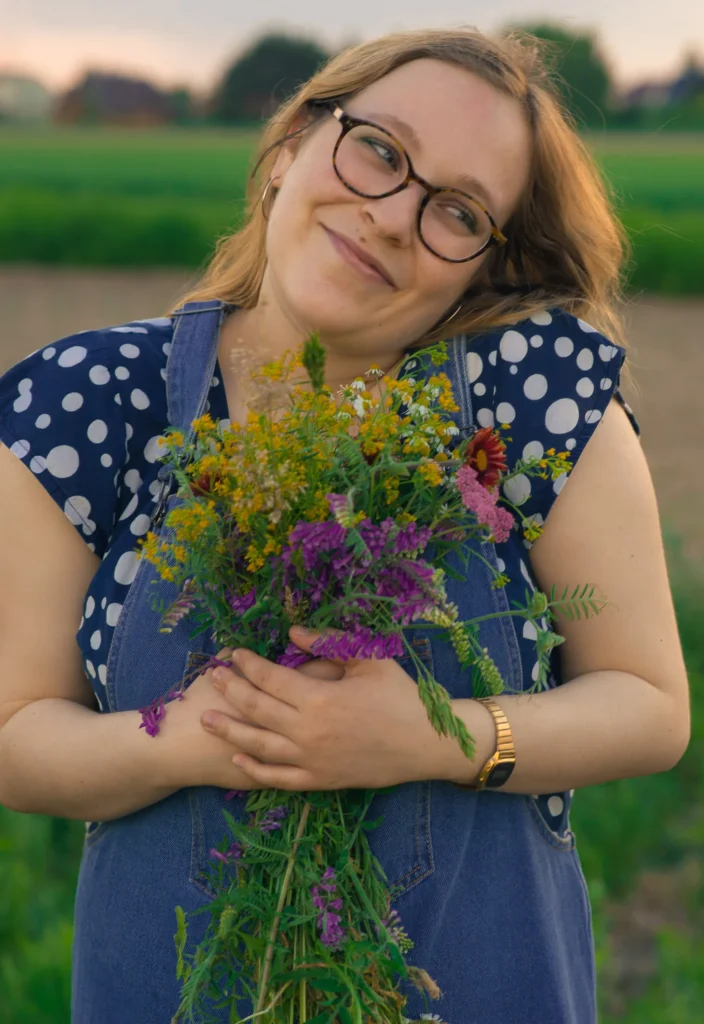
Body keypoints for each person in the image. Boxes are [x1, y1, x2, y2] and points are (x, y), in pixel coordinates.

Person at [0, 27, 690, 1024]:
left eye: (456, 209)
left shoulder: (531, 397)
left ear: (481, 260)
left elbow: (649, 704)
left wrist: (429, 736)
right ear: (288, 146)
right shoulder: (92, 401)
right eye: (377, 148)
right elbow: (17, 732)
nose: (392, 216)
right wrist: (188, 743)